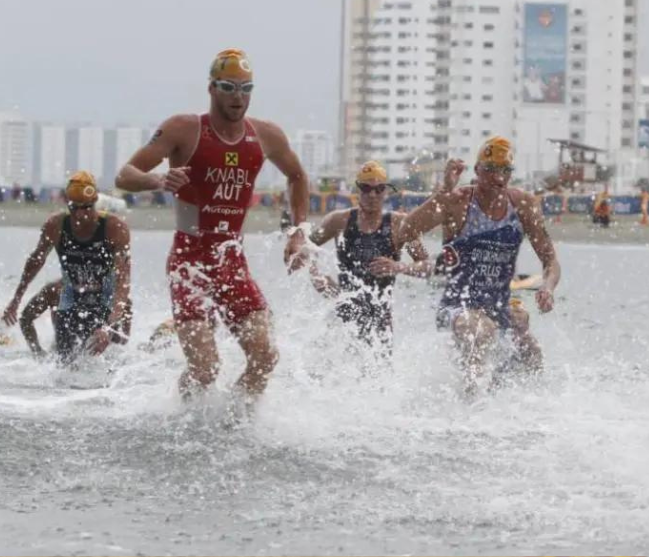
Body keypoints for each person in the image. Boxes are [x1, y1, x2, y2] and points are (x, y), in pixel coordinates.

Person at [115, 48, 310, 403]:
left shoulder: (266, 135)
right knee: (206, 368)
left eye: (246, 89)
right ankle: (183, 416)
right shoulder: (184, 129)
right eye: (229, 87)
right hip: (189, 263)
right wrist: (158, 180)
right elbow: (125, 175)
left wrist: (298, 233)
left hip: (232, 262)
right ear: (211, 88)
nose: (238, 97)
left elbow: (297, 176)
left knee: (265, 357)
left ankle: (236, 422)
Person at [395, 137, 560, 395]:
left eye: (505, 170)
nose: (498, 177)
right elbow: (406, 231)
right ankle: (472, 406)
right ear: (477, 170)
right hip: (457, 305)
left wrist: (548, 288)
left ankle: (523, 403)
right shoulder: (458, 201)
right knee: (481, 331)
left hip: (497, 304)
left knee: (531, 349)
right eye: (491, 169)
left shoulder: (523, 204)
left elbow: (550, 261)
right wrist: (442, 193)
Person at [1, 172, 133, 363]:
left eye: (86, 208)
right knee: (64, 361)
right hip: (71, 297)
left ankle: (118, 363)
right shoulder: (55, 225)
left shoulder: (115, 228)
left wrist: (108, 326)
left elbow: (123, 282)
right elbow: (35, 261)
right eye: (74, 208)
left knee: (124, 311)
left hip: (106, 298)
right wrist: (16, 300)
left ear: (95, 202)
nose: (80, 215)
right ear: (67, 204)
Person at [308, 160, 430, 358]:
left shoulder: (400, 224)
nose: (372, 195)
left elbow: (427, 266)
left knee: (378, 372)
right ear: (357, 190)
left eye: (379, 189)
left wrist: (399, 267)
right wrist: (316, 276)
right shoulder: (338, 221)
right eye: (366, 188)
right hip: (344, 315)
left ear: (386, 192)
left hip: (380, 320)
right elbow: (305, 248)